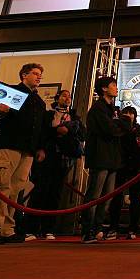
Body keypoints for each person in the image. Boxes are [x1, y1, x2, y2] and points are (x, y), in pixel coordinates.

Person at [0, 63, 47, 244]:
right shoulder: (11, 90)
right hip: (8, 145)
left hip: (27, 150)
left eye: (40, 74)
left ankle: (7, 228)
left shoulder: (39, 102)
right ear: (24, 75)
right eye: (35, 73)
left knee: (15, 190)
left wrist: (39, 147)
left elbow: (39, 128)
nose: (39, 77)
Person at [24, 90, 85, 241]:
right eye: (64, 95)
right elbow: (41, 133)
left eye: (70, 96)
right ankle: (30, 228)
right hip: (47, 156)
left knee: (55, 194)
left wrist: (70, 128)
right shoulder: (48, 114)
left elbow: (82, 135)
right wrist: (42, 147)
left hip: (64, 158)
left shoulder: (75, 117)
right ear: (57, 98)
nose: (67, 98)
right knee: (39, 192)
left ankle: (48, 229)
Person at [80, 77, 131, 244]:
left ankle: (97, 227)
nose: (116, 88)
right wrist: (120, 125)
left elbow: (124, 127)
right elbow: (110, 130)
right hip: (100, 157)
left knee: (107, 197)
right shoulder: (98, 109)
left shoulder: (113, 110)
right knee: (95, 194)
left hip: (113, 158)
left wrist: (120, 124)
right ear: (103, 89)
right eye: (113, 85)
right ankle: (87, 230)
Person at [107, 106, 140, 240]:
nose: (128, 115)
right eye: (125, 113)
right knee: (116, 198)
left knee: (135, 199)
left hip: (136, 169)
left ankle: (133, 228)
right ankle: (113, 227)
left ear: (135, 116)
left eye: (131, 113)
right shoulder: (116, 130)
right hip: (120, 168)